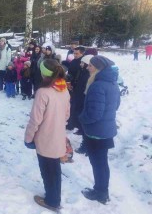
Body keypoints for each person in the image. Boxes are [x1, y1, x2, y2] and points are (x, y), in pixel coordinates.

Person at [24, 59, 70, 212]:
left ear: (44, 73)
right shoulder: (63, 89)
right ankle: (54, 196)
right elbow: (67, 115)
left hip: (45, 139)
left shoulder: (43, 92)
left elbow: (35, 120)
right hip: (58, 136)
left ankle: (52, 201)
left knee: (47, 171)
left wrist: (28, 138)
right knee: (54, 169)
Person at [79, 55, 120, 204]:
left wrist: (82, 118)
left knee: (98, 163)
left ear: (98, 68)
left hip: (96, 132)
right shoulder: (112, 83)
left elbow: (94, 114)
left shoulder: (98, 85)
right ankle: (102, 191)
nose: (88, 67)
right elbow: (115, 106)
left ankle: (100, 192)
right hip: (105, 129)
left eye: (91, 65)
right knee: (102, 163)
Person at [72, 55, 92, 153]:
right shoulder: (83, 72)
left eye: (82, 63)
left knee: (85, 124)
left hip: (83, 101)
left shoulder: (88, 76)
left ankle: (85, 146)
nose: (80, 64)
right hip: (79, 99)